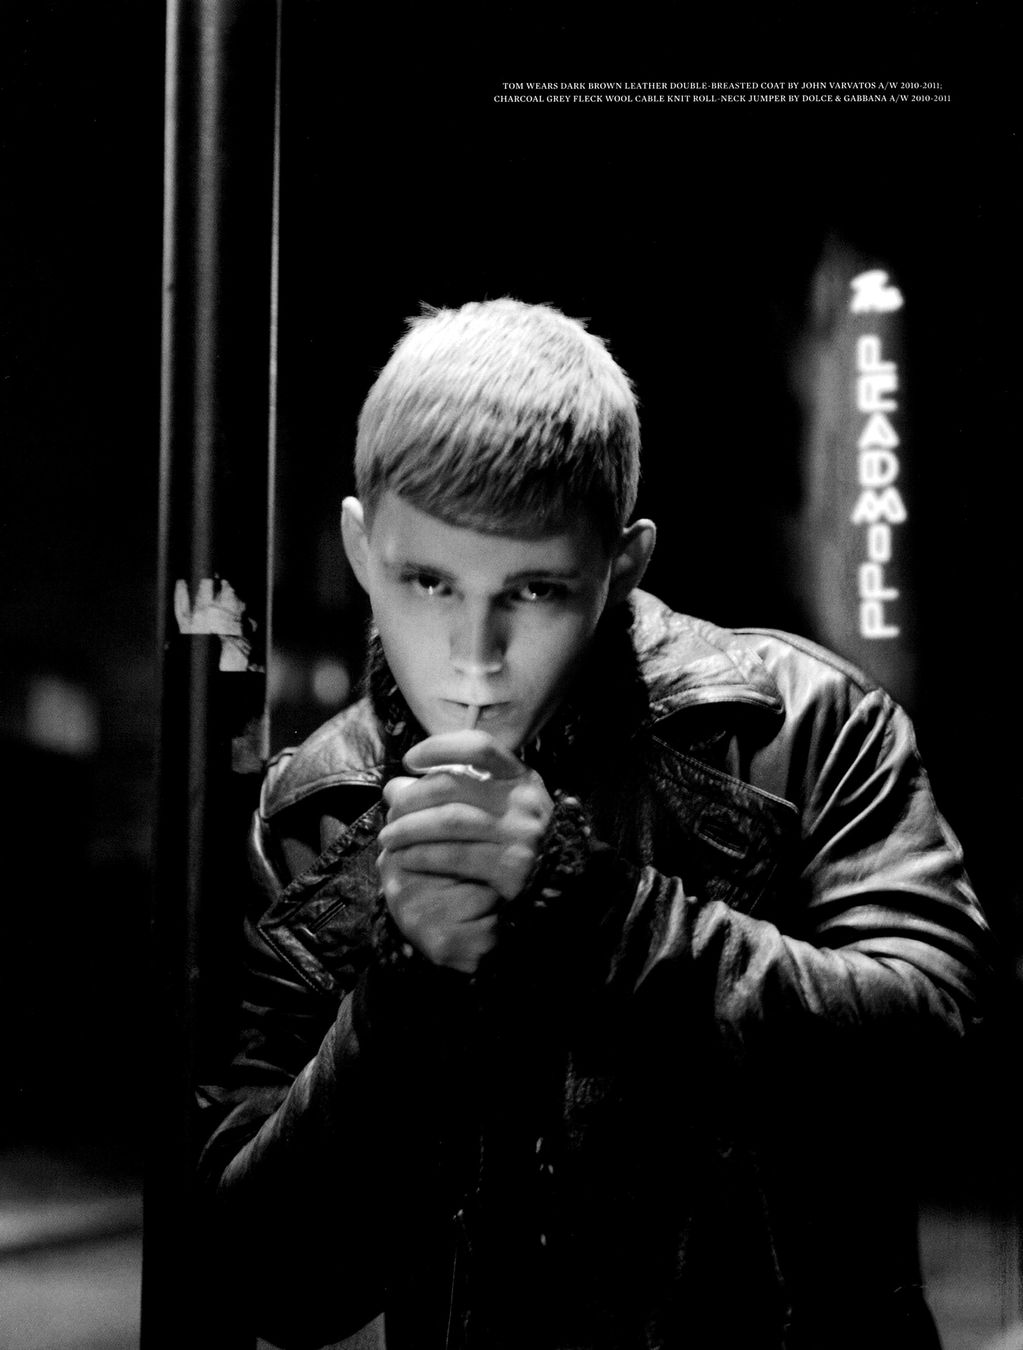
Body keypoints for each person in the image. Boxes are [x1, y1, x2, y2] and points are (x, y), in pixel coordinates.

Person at [197, 299, 987, 1350]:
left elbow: (941, 1064)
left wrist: (594, 909)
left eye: (533, 591)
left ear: (622, 566)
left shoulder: (802, 724)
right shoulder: (313, 818)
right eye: (427, 581)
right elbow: (274, 1285)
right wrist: (408, 986)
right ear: (357, 547)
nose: (473, 658)